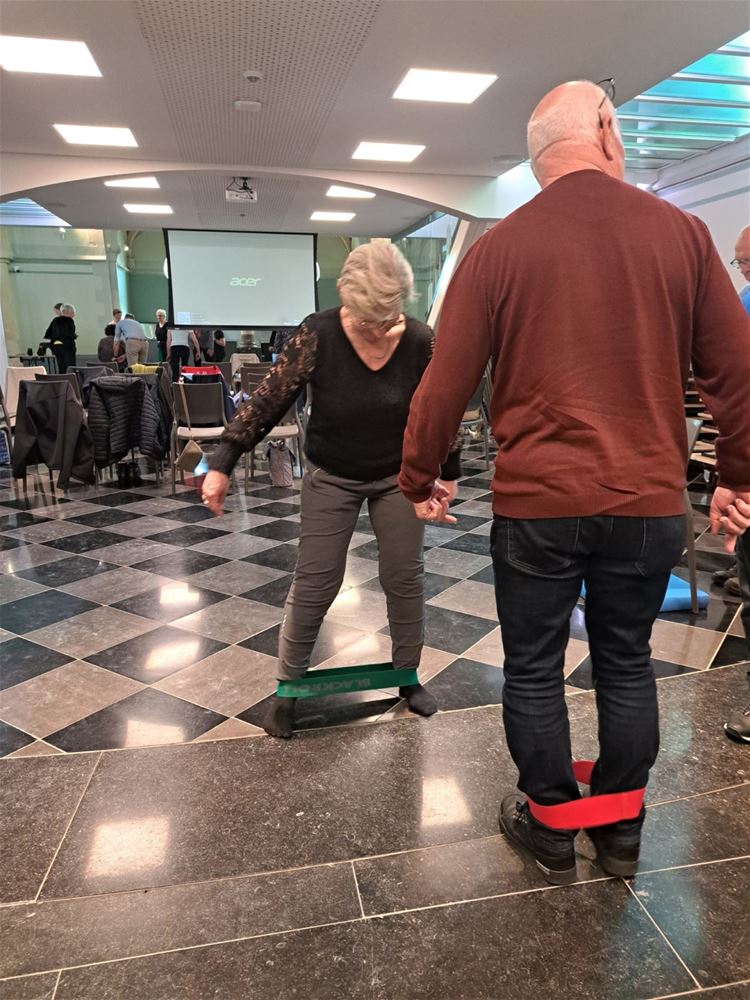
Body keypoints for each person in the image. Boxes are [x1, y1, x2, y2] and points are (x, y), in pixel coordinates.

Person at [398, 79, 750, 885]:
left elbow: (444, 385)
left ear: (538, 160)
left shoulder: (498, 249)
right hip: (646, 504)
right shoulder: (683, 235)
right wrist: (737, 476)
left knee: (533, 668)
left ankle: (553, 829)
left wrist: (422, 475)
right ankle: (621, 834)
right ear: (605, 130)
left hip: (538, 507)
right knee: (627, 662)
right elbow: (737, 375)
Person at [202, 242, 460, 738]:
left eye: (387, 320)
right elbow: (269, 398)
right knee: (316, 580)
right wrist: (224, 460)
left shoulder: (420, 340)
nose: (377, 330)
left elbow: (437, 410)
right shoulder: (318, 332)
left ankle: (408, 676)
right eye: (366, 320)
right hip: (332, 474)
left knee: (404, 578)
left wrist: (446, 473)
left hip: (399, 478)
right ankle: (287, 687)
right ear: (345, 297)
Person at [42, 303, 77, 372]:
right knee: (70, 368)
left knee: (61, 368)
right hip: (67, 347)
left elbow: (48, 334)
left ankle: (61, 378)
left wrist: (56, 336)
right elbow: (70, 334)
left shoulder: (55, 320)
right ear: (67, 312)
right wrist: (74, 336)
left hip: (56, 347)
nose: (73, 315)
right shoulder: (69, 321)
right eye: (72, 313)